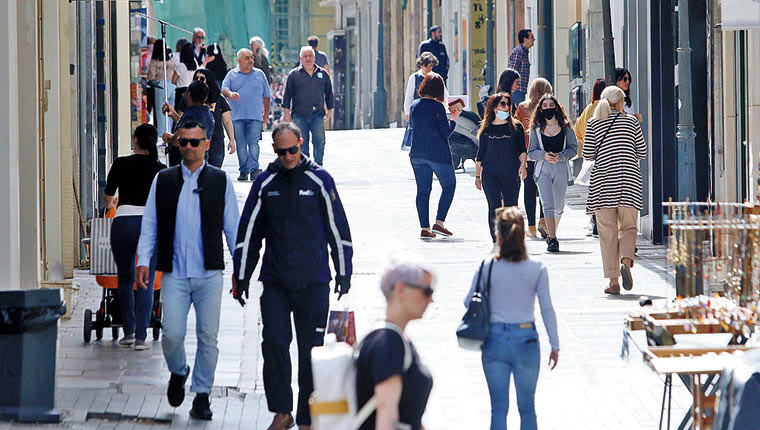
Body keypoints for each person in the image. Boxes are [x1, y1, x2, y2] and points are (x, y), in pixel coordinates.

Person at [231, 122, 353, 430]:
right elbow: (249, 232)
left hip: (313, 281)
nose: (288, 156)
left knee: (310, 350)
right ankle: (282, 411)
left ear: (301, 143)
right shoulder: (265, 183)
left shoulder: (320, 180)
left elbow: (338, 229)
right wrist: (241, 275)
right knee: (273, 343)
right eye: (282, 151)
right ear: (274, 149)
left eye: (293, 150)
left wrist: (344, 271)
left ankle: (308, 416)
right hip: (275, 281)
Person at [135, 121, 240, 421]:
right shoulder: (164, 180)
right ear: (177, 145)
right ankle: (178, 371)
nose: (190, 148)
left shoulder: (220, 181)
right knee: (171, 335)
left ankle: (202, 395)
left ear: (207, 144)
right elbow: (151, 222)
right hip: (175, 274)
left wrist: (240, 268)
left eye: (196, 142)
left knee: (208, 336)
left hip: (209, 274)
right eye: (184, 142)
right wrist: (144, 258)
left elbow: (232, 227)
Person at [465, 206, 559, 430]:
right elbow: (547, 309)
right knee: (527, 407)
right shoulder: (537, 267)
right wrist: (554, 344)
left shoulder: (486, 266)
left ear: (498, 234)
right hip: (526, 338)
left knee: (498, 408)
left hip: (494, 339)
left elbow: (469, 301)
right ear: (522, 233)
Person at [104, 123, 166, 350]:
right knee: (146, 281)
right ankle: (141, 337)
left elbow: (108, 198)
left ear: (136, 141)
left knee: (125, 278)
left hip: (123, 223)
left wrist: (113, 204)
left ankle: (128, 333)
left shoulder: (121, 163)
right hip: (150, 225)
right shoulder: (161, 168)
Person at [355, 257, 434, 430]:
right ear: (400, 289)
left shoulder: (394, 338)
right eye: (427, 291)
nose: (431, 300)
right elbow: (387, 414)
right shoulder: (389, 343)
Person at [582, 86, 647, 295]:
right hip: (629, 183)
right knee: (628, 227)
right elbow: (642, 152)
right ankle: (626, 262)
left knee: (607, 233)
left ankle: (613, 282)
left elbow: (588, 154)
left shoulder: (593, 124)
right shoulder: (631, 122)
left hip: (603, 186)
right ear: (620, 104)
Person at [409, 72, 461, 240]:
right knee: (449, 185)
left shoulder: (414, 105)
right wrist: (454, 117)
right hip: (437, 155)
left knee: (423, 191)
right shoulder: (437, 107)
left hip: (417, 154)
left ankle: (424, 227)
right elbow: (445, 133)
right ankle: (439, 223)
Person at [527, 94, 578, 253]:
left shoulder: (566, 127)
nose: (548, 108)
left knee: (559, 205)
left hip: (561, 168)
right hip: (543, 170)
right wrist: (544, 155)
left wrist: (561, 157)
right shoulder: (536, 130)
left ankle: (551, 231)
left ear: (556, 107)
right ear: (540, 109)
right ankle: (553, 239)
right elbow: (531, 152)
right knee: (547, 204)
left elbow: (574, 148)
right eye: (545, 105)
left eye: (551, 105)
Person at [475, 92, 527, 245]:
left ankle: (511, 239)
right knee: (494, 206)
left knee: (511, 207)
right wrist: (477, 176)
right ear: (494, 107)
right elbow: (481, 154)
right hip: (490, 174)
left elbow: (522, 149)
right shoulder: (486, 128)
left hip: (511, 172)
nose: (506, 107)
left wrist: (523, 165)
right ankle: (496, 240)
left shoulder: (516, 126)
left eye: (508, 104)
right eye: (503, 104)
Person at [222, 48, 271, 181]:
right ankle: (244, 170)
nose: (251, 60)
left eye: (251, 58)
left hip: (255, 116)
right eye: (247, 58)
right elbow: (224, 89)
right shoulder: (232, 74)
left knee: (254, 143)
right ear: (239, 61)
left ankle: (254, 169)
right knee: (241, 145)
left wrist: (266, 115)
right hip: (236, 117)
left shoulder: (260, 74)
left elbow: (267, 97)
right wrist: (231, 94)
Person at [173, 69, 235, 168]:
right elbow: (181, 122)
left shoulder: (219, 98)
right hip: (195, 142)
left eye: (202, 78)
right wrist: (173, 114)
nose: (199, 80)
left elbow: (227, 121)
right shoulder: (188, 99)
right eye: (196, 78)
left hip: (216, 141)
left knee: (214, 172)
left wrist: (232, 140)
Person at [282, 46, 334, 165]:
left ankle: (318, 165)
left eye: (310, 56)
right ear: (301, 58)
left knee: (320, 141)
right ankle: (305, 168)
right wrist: (286, 112)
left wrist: (330, 110)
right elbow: (287, 94)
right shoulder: (294, 74)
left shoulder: (322, 73)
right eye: (305, 56)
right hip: (300, 115)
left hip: (318, 115)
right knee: (302, 144)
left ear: (314, 58)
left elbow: (329, 92)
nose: (308, 59)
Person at [515, 78, 552, 238]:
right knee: (545, 190)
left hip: (528, 154)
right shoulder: (550, 106)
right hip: (545, 154)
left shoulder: (523, 107)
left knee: (529, 190)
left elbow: (516, 128)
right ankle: (544, 222)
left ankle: (531, 226)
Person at [573, 79, 607, 238]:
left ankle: (595, 222)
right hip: (609, 155)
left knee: (595, 189)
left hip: (592, 157)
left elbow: (577, 132)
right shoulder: (609, 109)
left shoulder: (588, 109)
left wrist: (586, 142)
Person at [162, 80, 215, 167]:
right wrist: (173, 115)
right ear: (205, 98)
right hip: (202, 161)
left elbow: (178, 140)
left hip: (187, 164)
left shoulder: (190, 114)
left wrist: (169, 138)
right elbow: (188, 127)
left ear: (189, 95)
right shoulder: (208, 114)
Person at [403, 52, 451, 122]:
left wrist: (445, 111)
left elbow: (444, 95)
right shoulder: (414, 78)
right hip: (418, 113)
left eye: (431, 66)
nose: (429, 68)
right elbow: (409, 97)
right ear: (421, 65)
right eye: (426, 66)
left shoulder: (437, 77)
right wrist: (407, 113)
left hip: (433, 113)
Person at [147, 39, 176, 140]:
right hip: (172, 86)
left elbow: (151, 76)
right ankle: (171, 132)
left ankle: (163, 134)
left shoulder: (155, 62)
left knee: (161, 112)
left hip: (160, 86)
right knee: (171, 111)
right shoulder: (170, 61)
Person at [507, 29, 535, 107]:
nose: (534, 39)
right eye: (531, 37)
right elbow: (512, 72)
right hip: (517, 90)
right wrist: (514, 86)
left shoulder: (523, 52)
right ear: (525, 39)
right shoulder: (519, 52)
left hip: (520, 90)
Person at [172, 43, 198, 111]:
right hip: (192, 90)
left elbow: (173, 80)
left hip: (181, 91)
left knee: (179, 111)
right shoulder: (195, 65)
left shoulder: (180, 66)